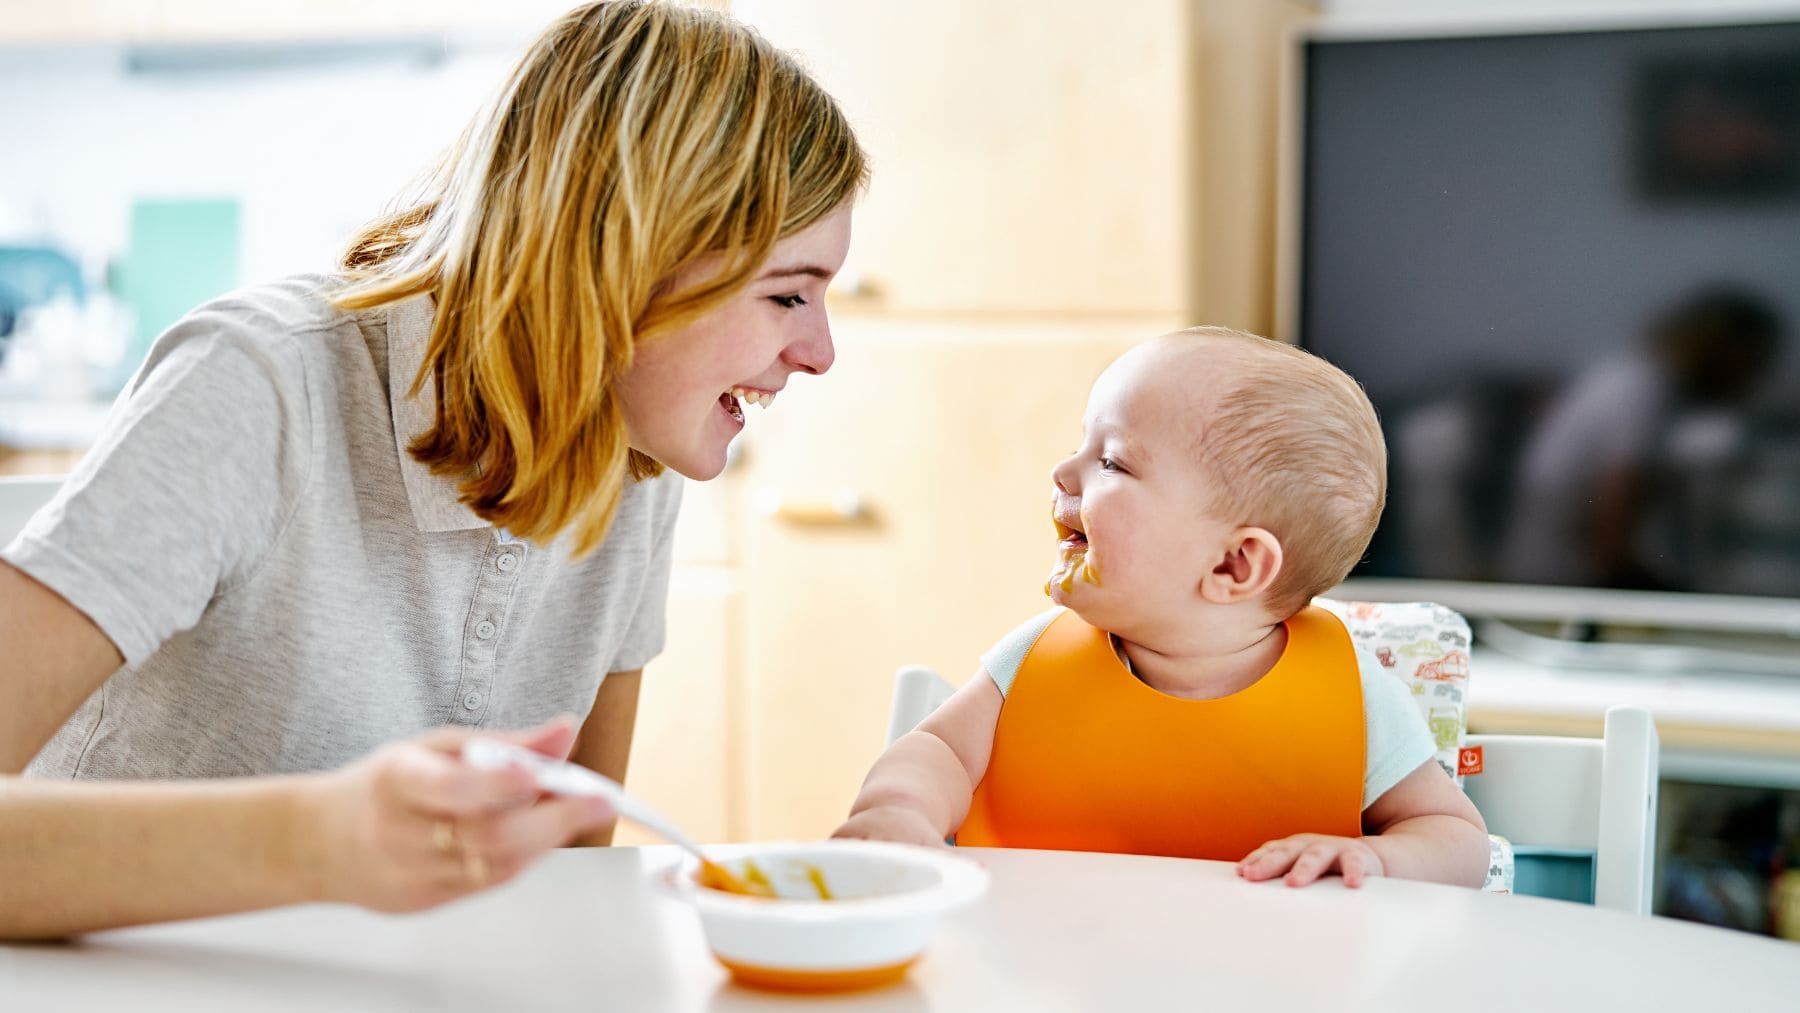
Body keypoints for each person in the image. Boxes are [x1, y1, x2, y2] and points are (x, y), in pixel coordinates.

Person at [0, 0, 866, 938]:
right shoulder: (259, 384)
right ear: (623, 257)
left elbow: (566, 883)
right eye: (788, 295)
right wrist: (319, 839)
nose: (819, 353)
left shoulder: (636, 459)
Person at [833, 328, 1489, 888]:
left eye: (1111, 462)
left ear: (1233, 565)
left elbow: (1456, 839)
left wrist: (1375, 856)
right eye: (1081, 445)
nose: (1063, 471)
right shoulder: (1032, 664)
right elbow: (938, 750)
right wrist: (900, 809)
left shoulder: (1353, 698)